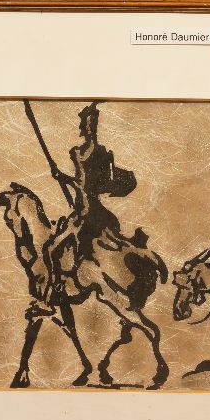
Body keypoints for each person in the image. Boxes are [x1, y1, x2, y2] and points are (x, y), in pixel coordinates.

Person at [44, 102, 139, 297]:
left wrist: (62, 177)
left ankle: (58, 287)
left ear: (94, 125)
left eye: (92, 122)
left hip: (88, 212)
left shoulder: (96, 153)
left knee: (52, 250)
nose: (89, 127)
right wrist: (64, 178)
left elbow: (86, 185)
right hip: (84, 209)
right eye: (87, 122)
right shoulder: (80, 152)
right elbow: (83, 183)